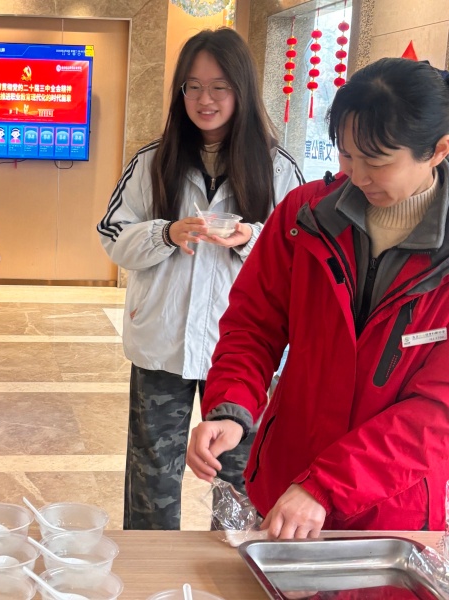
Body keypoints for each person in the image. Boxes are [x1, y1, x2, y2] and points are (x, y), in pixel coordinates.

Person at [187, 57, 449, 539]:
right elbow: (253, 325)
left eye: (378, 161)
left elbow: (437, 414)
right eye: (347, 154)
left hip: (391, 512)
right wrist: (232, 406)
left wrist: (327, 486)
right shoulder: (305, 216)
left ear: (437, 151)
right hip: (286, 484)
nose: (358, 175)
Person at [97, 27, 304, 530]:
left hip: (242, 354)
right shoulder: (153, 161)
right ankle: (150, 565)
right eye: (192, 87)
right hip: (161, 345)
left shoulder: (277, 167)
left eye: (218, 87)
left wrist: (250, 238)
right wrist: (165, 233)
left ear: (241, 90)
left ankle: (234, 564)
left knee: (239, 481)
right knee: (151, 477)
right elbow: (112, 235)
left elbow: (301, 252)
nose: (204, 100)